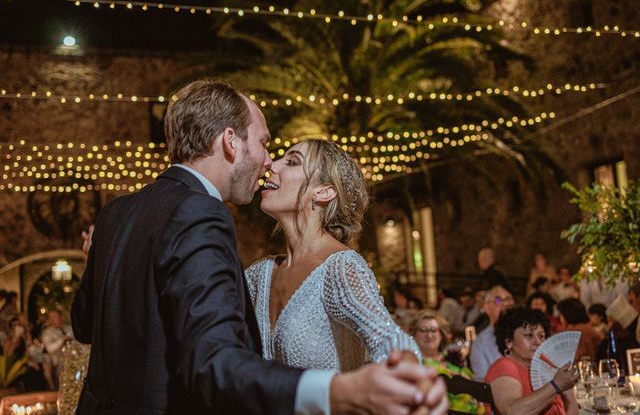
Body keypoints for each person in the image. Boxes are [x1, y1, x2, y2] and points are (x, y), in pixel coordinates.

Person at [72, 80, 447, 415]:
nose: (269, 163)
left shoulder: (114, 214)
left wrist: (407, 376)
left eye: (290, 160)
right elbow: (214, 360)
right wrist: (340, 391)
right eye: (266, 144)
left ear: (323, 191)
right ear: (230, 141)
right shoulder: (220, 233)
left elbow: (86, 324)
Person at [245, 138, 421, 370]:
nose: (273, 166)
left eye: (292, 162)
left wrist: (407, 369)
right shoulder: (259, 275)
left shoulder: (339, 268)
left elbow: (388, 337)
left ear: (324, 192)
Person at [486, 306, 579, 415]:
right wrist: (556, 386)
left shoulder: (544, 369)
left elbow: (573, 409)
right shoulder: (504, 366)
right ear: (509, 342)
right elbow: (513, 411)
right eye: (529, 335)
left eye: (542, 336)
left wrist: (569, 394)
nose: (538, 341)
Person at [412, 312, 484, 414]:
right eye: (423, 330)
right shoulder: (413, 364)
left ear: (441, 335)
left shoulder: (454, 358)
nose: (429, 335)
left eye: (433, 330)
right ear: (414, 335)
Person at [469, 285, 514, 381]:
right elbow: (482, 379)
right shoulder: (480, 343)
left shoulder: (526, 333)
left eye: (508, 299)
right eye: (498, 300)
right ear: (486, 307)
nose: (505, 304)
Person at [556, 298, 603, 363]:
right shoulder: (586, 328)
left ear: (566, 315)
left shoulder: (578, 332)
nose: (560, 318)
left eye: (560, 314)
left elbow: (579, 358)